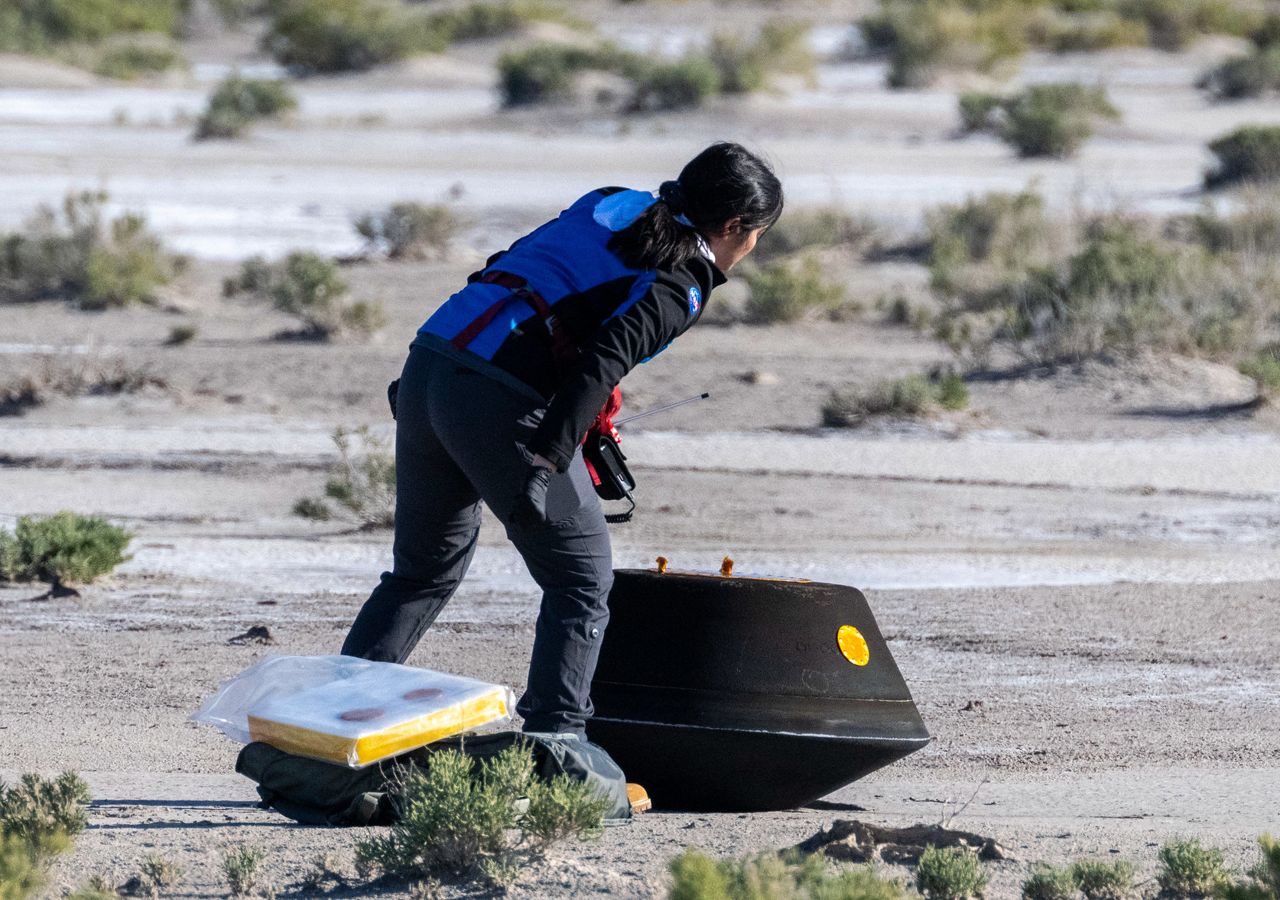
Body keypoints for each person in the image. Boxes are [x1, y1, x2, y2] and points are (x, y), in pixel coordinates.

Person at [341, 142, 783, 738]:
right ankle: (557, 742)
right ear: (735, 227)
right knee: (582, 579)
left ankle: (327, 726)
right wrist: (548, 457)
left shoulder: (609, 202)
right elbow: (605, 358)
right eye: (758, 233)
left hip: (431, 363)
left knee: (420, 574)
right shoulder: (683, 284)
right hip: (498, 397)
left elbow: (508, 266)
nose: (754, 247)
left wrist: (438, 384)